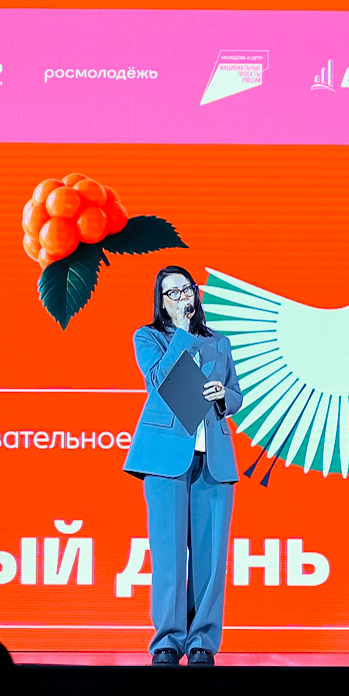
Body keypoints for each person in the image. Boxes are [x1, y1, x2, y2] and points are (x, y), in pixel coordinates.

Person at [120, 265, 245, 666]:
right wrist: (181, 333)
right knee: (169, 555)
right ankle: (168, 641)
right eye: (170, 293)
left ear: (195, 294)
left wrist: (223, 394)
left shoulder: (220, 342)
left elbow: (236, 395)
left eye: (185, 290)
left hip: (214, 458)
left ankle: (203, 641)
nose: (180, 298)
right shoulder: (149, 337)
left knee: (211, 558)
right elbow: (158, 381)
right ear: (160, 301)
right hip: (165, 458)